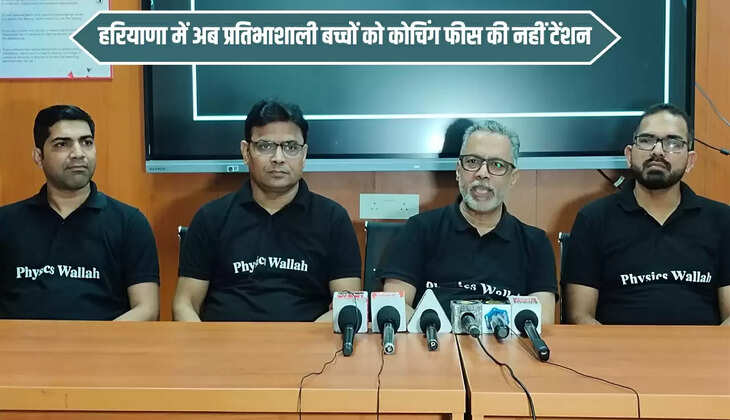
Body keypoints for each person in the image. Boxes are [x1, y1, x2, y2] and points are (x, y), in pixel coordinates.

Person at [173, 99, 361, 322]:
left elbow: (348, 304)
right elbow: (184, 304)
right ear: (246, 152)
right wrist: (203, 343)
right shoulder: (211, 218)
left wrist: (305, 339)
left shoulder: (332, 219)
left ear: (304, 155)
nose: (278, 158)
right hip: (224, 342)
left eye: (291, 147)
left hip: (306, 342)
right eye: (265, 146)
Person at [564, 103, 730, 325]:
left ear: (690, 161)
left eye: (673, 142)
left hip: (703, 347)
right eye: (646, 140)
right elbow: (580, 317)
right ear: (629, 155)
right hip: (616, 347)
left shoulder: (722, 220)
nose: (658, 151)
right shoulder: (594, 219)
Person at [378, 120, 557, 323]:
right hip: (433, 340)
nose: (482, 173)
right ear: (458, 170)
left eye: (497, 165)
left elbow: (543, 319)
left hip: (507, 342)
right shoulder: (419, 229)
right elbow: (395, 307)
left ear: (513, 178)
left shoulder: (535, 242)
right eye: (472, 162)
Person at [0, 105, 160, 320]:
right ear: (38, 156)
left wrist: (98, 339)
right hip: (18, 340)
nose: (78, 153)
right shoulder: (6, 223)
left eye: (87, 142)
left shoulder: (129, 222)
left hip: (104, 339)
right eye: (62, 144)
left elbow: (147, 309)